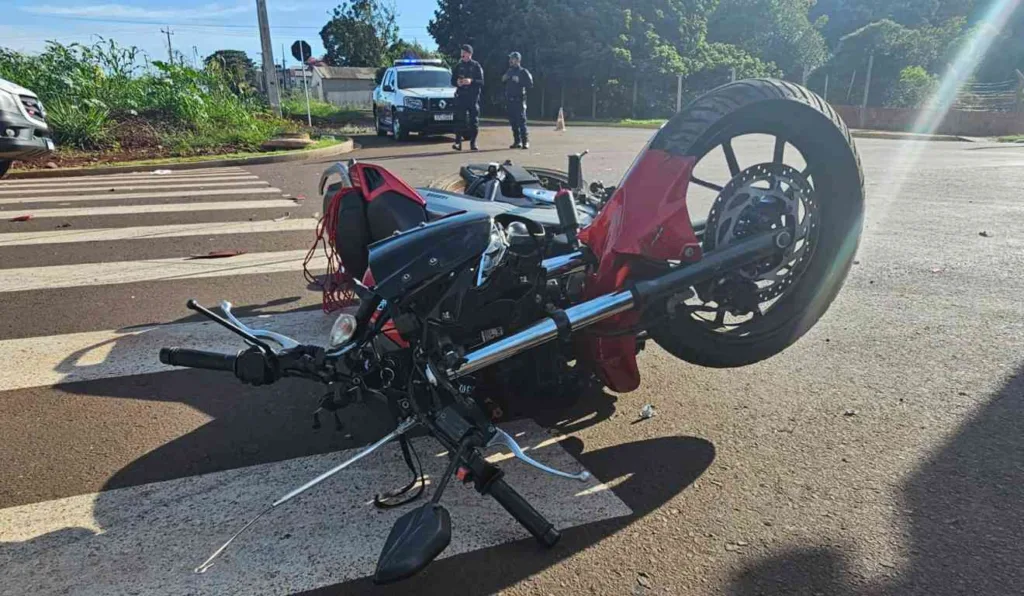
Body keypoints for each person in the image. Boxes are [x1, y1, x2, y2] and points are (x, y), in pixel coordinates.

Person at [450, 44, 484, 151]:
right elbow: (452, 81)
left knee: (473, 121)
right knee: (459, 120)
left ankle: (473, 143)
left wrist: (471, 81)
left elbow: (482, 81)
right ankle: (457, 143)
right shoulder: (458, 66)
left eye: (464, 53)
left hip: (472, 97)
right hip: (461, 96)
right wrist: (457, 82)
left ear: (469, 54)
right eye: (461, 53)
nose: (462, 55)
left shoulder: (476, 66)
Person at [502, 51, 533, 149]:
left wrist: (520, 80)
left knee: (521, 122)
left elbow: (530, 84)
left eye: (512, 59)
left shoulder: (523, 71)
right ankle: (517, 141)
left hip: (519, 100)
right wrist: (504, 78)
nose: (510, 60)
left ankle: (525, 141)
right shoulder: (509, 71)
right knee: (513, 122)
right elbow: (503, 81)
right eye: (510, 59)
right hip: (510, 100)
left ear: (518, 60)